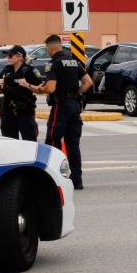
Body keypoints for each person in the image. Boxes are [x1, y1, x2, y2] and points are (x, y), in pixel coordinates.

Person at [36, 34, 92, 190]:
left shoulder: (53, 64)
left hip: (61, 106)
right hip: (75, 105)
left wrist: (38, 88)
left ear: (50, 48)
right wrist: (75, 93)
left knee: (53, 142)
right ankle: (77, 180)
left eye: (47, 49)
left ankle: (52, 180)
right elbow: (88, 82)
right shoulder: (74, 61)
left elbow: (50, 88)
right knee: (73, 145)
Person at [0, 45, 41, 141]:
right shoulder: (6, 70)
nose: (8, 58)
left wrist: (28, 85)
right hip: (7, 110)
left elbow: (41, 88)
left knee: (29, 140)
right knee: (9, 141)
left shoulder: (29, 70)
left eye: (10, 56)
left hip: (24, 110)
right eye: (7, 56)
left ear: (20, 57)